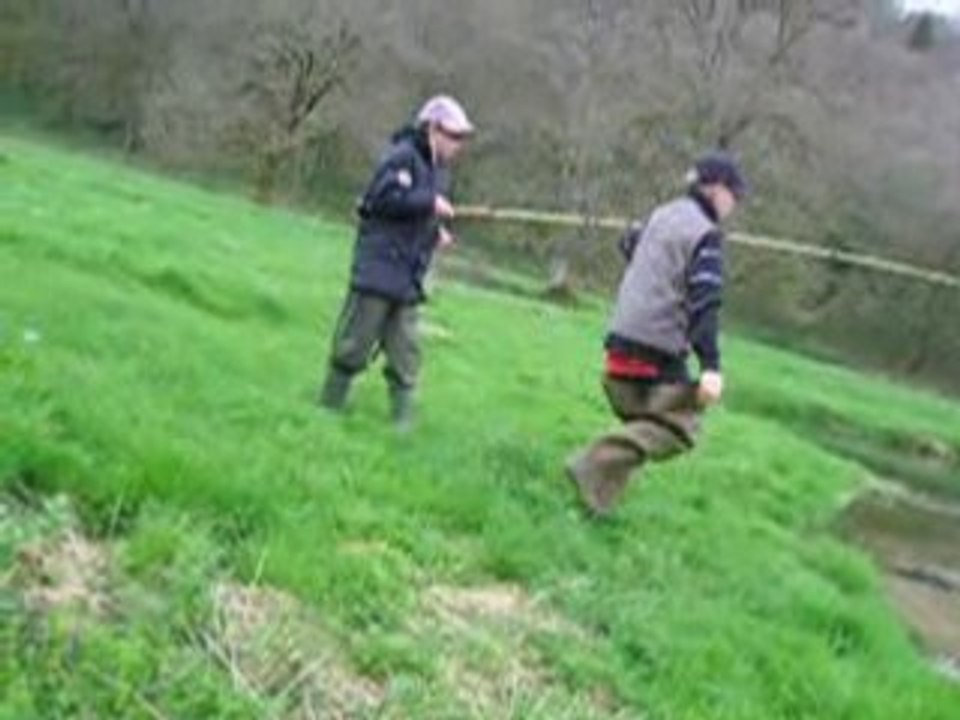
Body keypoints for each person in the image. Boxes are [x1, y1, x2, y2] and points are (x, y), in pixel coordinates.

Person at [566, 151, 748, 516]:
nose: (735, 203)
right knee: (682, 427)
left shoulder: (661, 215)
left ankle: (597, 502)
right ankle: (591, 464)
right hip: (655, 349)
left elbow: (628, 244)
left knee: (643, 422)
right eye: (733, 194)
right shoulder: (706, 235)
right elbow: (705, 303)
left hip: (619, 341)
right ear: (714, 189)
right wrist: (711, 366)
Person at [318, 95, 475, 428]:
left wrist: (435, 234)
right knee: (354, 345)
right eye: (453, 136)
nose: (458, 145)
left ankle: (402, 426)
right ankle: (327, 410)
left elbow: (418, 217)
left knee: (406, 354)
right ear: (433, 129)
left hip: (408, 279)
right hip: (378, 269)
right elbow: (383, 200)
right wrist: (429, 203)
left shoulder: (440, 172)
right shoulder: (402, 156)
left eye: (462, 138)